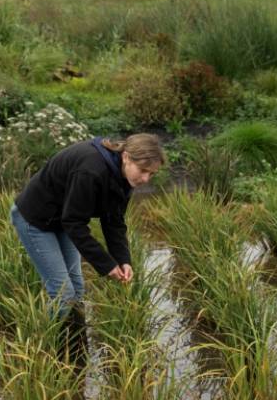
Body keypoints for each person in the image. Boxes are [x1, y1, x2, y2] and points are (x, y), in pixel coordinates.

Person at [10, 133, 165, 354]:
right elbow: (74, 222)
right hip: (35, 220)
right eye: (143, 171)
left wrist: (122, 260)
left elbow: (114, 221)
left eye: (152, 174)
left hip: (63, 218)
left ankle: (74, 345)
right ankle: (50, 350)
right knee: (62, 293)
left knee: (77, 288)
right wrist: (106, 265)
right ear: (127, 157)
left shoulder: (124, 178)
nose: (146, 179)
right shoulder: (91, 170)